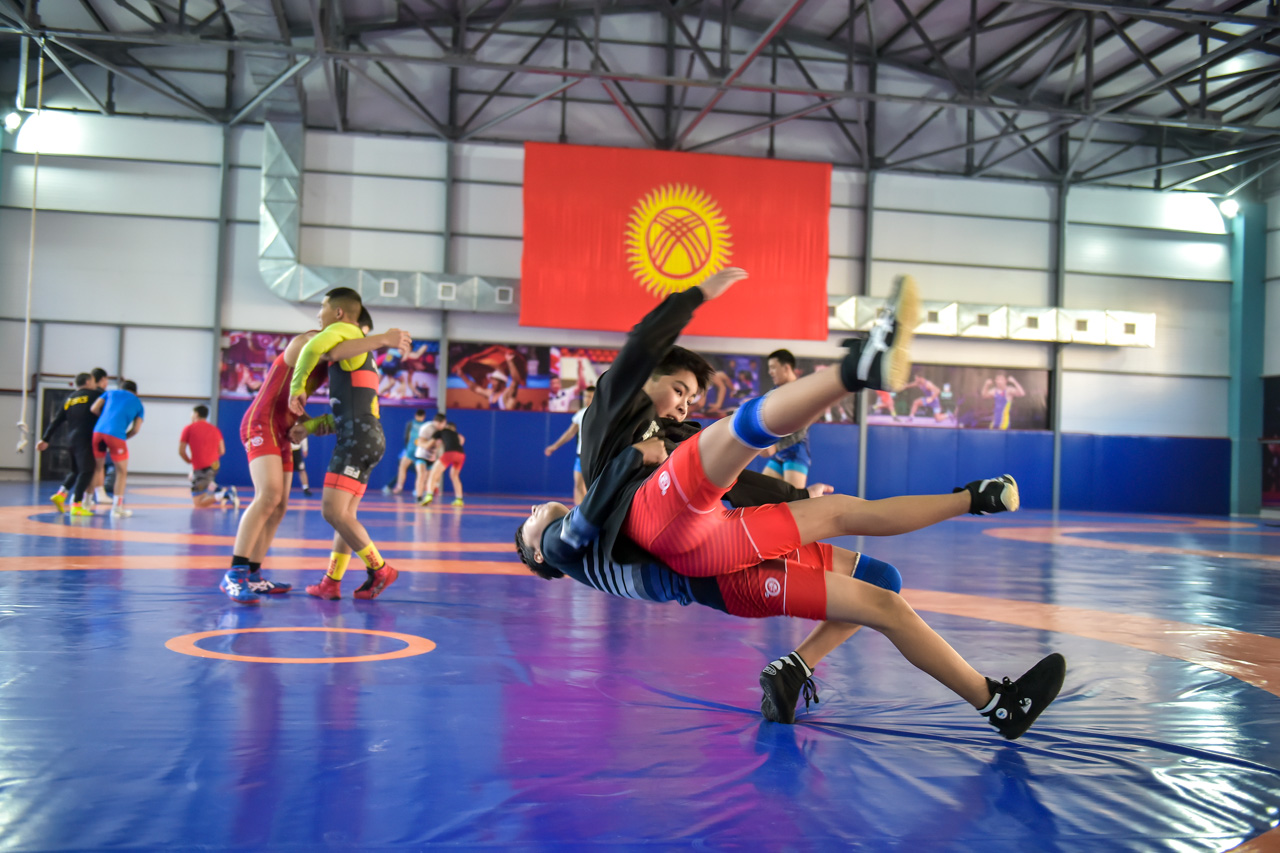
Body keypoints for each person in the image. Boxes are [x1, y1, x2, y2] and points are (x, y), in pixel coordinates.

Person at [519, 270, 1066, 740]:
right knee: (733, 432)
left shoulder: (658, 448)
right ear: (537, 552)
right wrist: (694, 298)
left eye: (688, 395)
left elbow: (739, 485)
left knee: (874, 570)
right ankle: (856, 370)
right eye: (679, 389)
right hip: (688, 551)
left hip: (716, 538)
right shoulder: (581, 508)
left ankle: (971, 521)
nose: (684, 403)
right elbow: (640, 349)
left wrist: (799, 496)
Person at [222, 316, 408, 605]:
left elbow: (304, 405)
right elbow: (324, 352)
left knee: (279, 506)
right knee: (268, 495)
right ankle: (235, 573)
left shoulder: (335, 364)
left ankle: (254, 574)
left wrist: (309, 423)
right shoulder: (309, 341)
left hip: (283, 428)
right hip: (261, 422)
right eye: (355, 335)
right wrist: (383, 340)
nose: (356, 343)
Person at [290, 290, 401, 601]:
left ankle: (380, 568)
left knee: (332, 511)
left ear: (339, 313)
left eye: (322, 307)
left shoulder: (347, 331)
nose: (318, 315)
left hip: (356, 440)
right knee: (345, 515)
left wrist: (297, 387)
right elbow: (350, 409)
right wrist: (309, 427)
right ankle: (331, 581)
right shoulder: (364, 355)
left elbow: (313, 347)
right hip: (368, 437)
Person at [38, 372, 101, 517]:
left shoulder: (69, 399)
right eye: (93, 381)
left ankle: (61, 494)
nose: (95, 384)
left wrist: (45, 439)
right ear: (88, 382)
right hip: (86, 438)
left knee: (76, 470)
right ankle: (76, 505)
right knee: (87, 471)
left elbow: (56, 421)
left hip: (71, 439)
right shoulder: (94, 396)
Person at [89, 380, 144, 518]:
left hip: (98, 432)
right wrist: (124, 436)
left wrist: (104, 419)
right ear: (136, 392)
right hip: (116, 435)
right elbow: (136, 429)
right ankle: (117, 508)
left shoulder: (110, 393)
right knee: (121, 472)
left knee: (96, 468)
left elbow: (93, 408)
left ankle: (86, 502)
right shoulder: (138, 403)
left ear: (120, 388)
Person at [759, 349, 813, 490]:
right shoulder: (774, 392)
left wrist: (775, 447)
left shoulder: (803, 392)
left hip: (795, 453)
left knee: (794, 500)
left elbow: (801, 431)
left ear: (786, 368)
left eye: (773, 367)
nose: (770, 372)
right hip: (779, 453)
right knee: (762, 494)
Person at [178, 405, 238, 509]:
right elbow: (222, 451)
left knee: (198, 503)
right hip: (215, 466)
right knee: (192, 476)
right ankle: (219, 490)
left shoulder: (189, 428)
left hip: (202, 468)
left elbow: (181, 451)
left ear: (196, 414)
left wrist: (189, 461)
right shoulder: (215, 429)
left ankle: (226, 495)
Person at [544, 385, 596, 504]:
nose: (586, 399)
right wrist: (554, 446)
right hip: (581, 455)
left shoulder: (603, 415)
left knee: (592, 486)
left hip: (594, 456)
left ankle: (592, 510)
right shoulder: (580, 414)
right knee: (578, 484)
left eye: (590, 396)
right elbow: (570, 432)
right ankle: (579, 511)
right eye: (585, 396)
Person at [383, 409, 427, 495]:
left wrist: (408, 448)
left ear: (415, 415)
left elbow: (406, 437)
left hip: (411, 449)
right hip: (420, 450)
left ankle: (399, 487)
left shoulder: (411, 423)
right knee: (420, 471)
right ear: (423, 416)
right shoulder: (424, 425)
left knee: (403, 467)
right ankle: (418, 490)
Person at [422, 421, 466, 507]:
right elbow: (462, 441)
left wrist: (421, 443)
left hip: (450, 453)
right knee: (455, 476)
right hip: (461, 455)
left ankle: (429, 495)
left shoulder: (441, 431)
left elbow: (430, 443)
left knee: (433, 473)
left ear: (446, 426)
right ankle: (459, 499)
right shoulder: (457, 434)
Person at [414, 412, 447, 504]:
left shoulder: (443, 430)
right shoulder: (427, 427)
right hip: (422, 455)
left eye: (443, 424)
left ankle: (428, 495)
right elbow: (420, 442)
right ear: (436, 422)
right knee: (421, 475)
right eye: (440, 424)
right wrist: (430, 443)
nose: (441, 426)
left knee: (430, 478)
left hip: (433, 458)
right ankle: (419, 497)